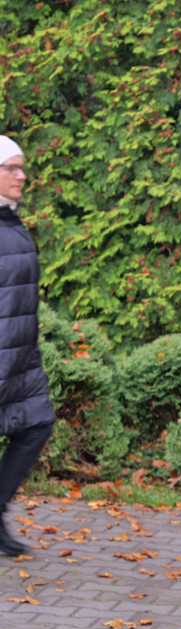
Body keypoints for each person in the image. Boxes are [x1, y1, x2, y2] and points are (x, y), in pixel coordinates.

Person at [0, 135, 55, 558]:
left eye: (22, 168)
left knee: (37, 424)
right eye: (11, 169)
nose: (22, 176)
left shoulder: (9, 219)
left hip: (19, 356)